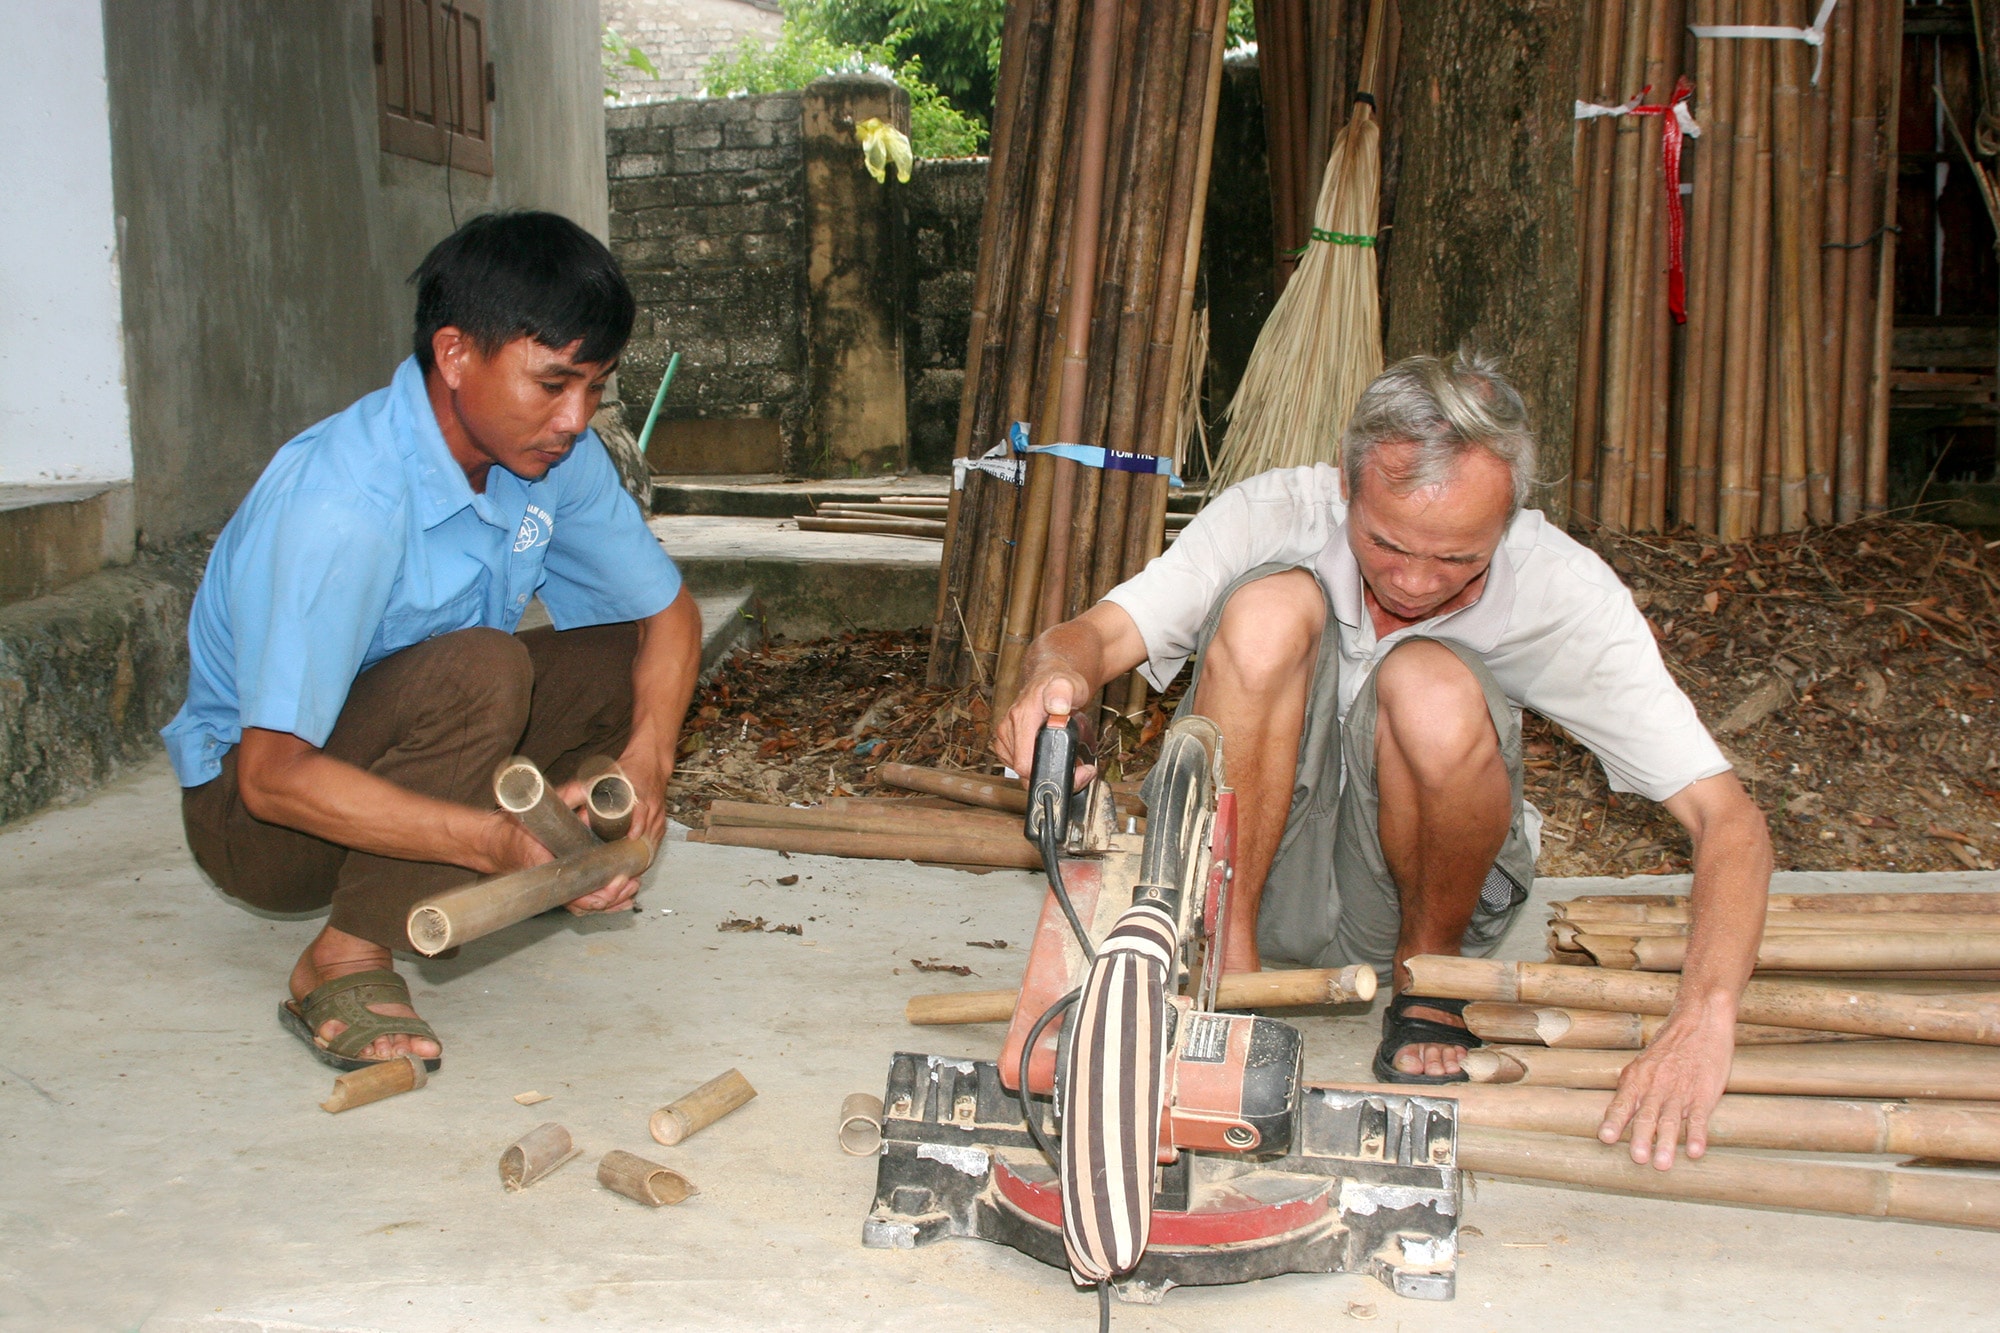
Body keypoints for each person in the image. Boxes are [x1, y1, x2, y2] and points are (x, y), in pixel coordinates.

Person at [997, 352, 1771, 1169]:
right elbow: (1096, 636)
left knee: (1429, 682)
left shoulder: (1566, 591)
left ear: (1509, 518)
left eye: (1458, 560)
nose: (1413, 580)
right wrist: (1057, 679)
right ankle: (1233, 976)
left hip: (1415, 896)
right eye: (1388, 542)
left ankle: (1429, 981)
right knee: (1268, 611)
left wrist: (1705, 1016)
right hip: (1244, 872)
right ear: (1345, 481)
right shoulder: (1272, 512)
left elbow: (1729, 820)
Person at [164, 211, 701, 1072]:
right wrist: (492, 841)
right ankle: (339, 956)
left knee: (617, 658)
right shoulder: (344, 505)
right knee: (482, 669)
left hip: (399, 756)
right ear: (455, 355)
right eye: (553, 382)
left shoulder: (554, 459)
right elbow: (272, 778)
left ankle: (549, 845)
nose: (575, 417)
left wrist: (643, 766)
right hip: (260, 822)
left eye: (595, 387)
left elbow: (668, 614)